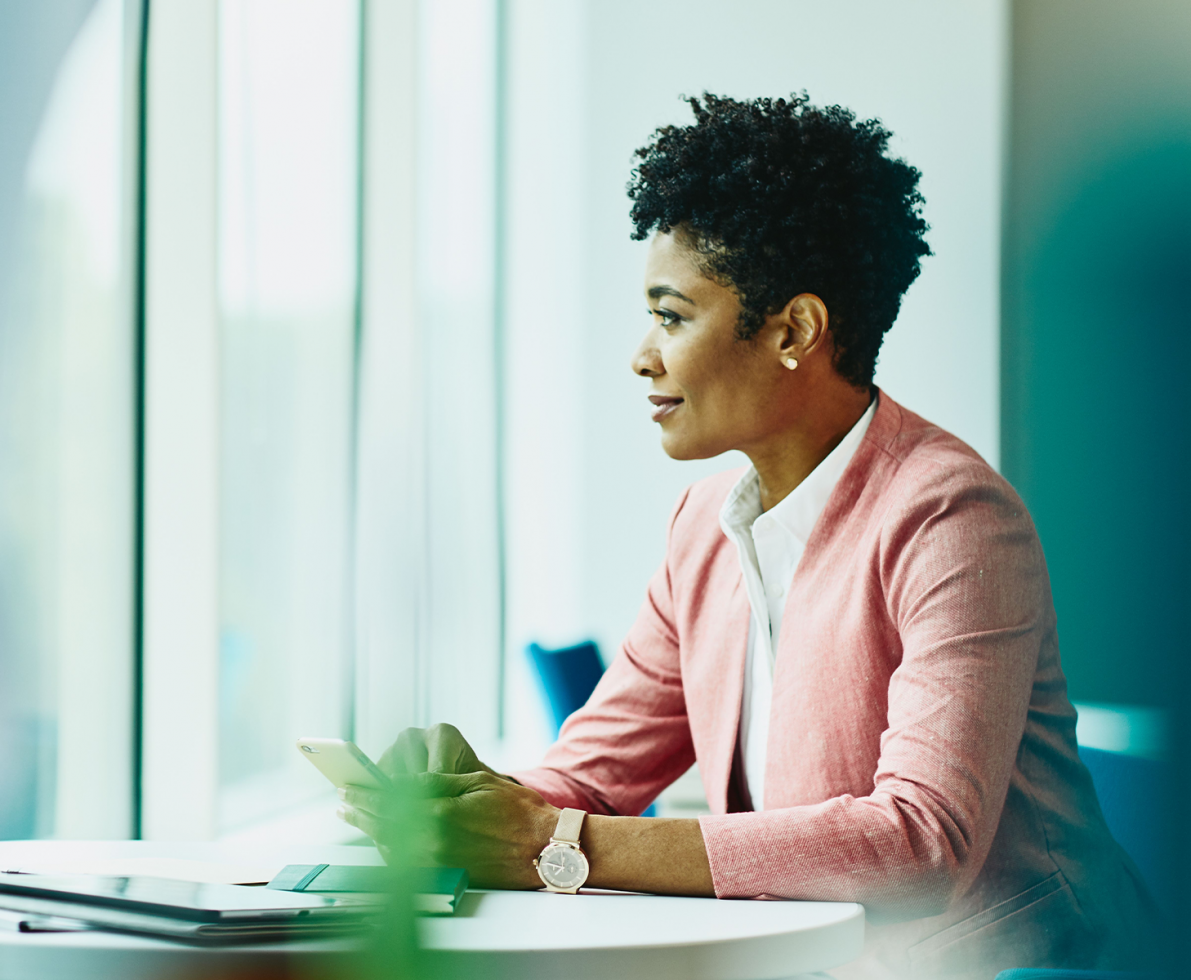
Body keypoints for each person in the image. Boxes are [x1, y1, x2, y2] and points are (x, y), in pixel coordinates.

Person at [339, 94, 1156, 978]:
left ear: (793, 330)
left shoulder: (952, 518)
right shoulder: (703, 528)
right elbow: (588, 779)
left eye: (672, 315)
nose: (641, 355)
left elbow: (919, 842)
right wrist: (475, 801)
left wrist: (552, 842)